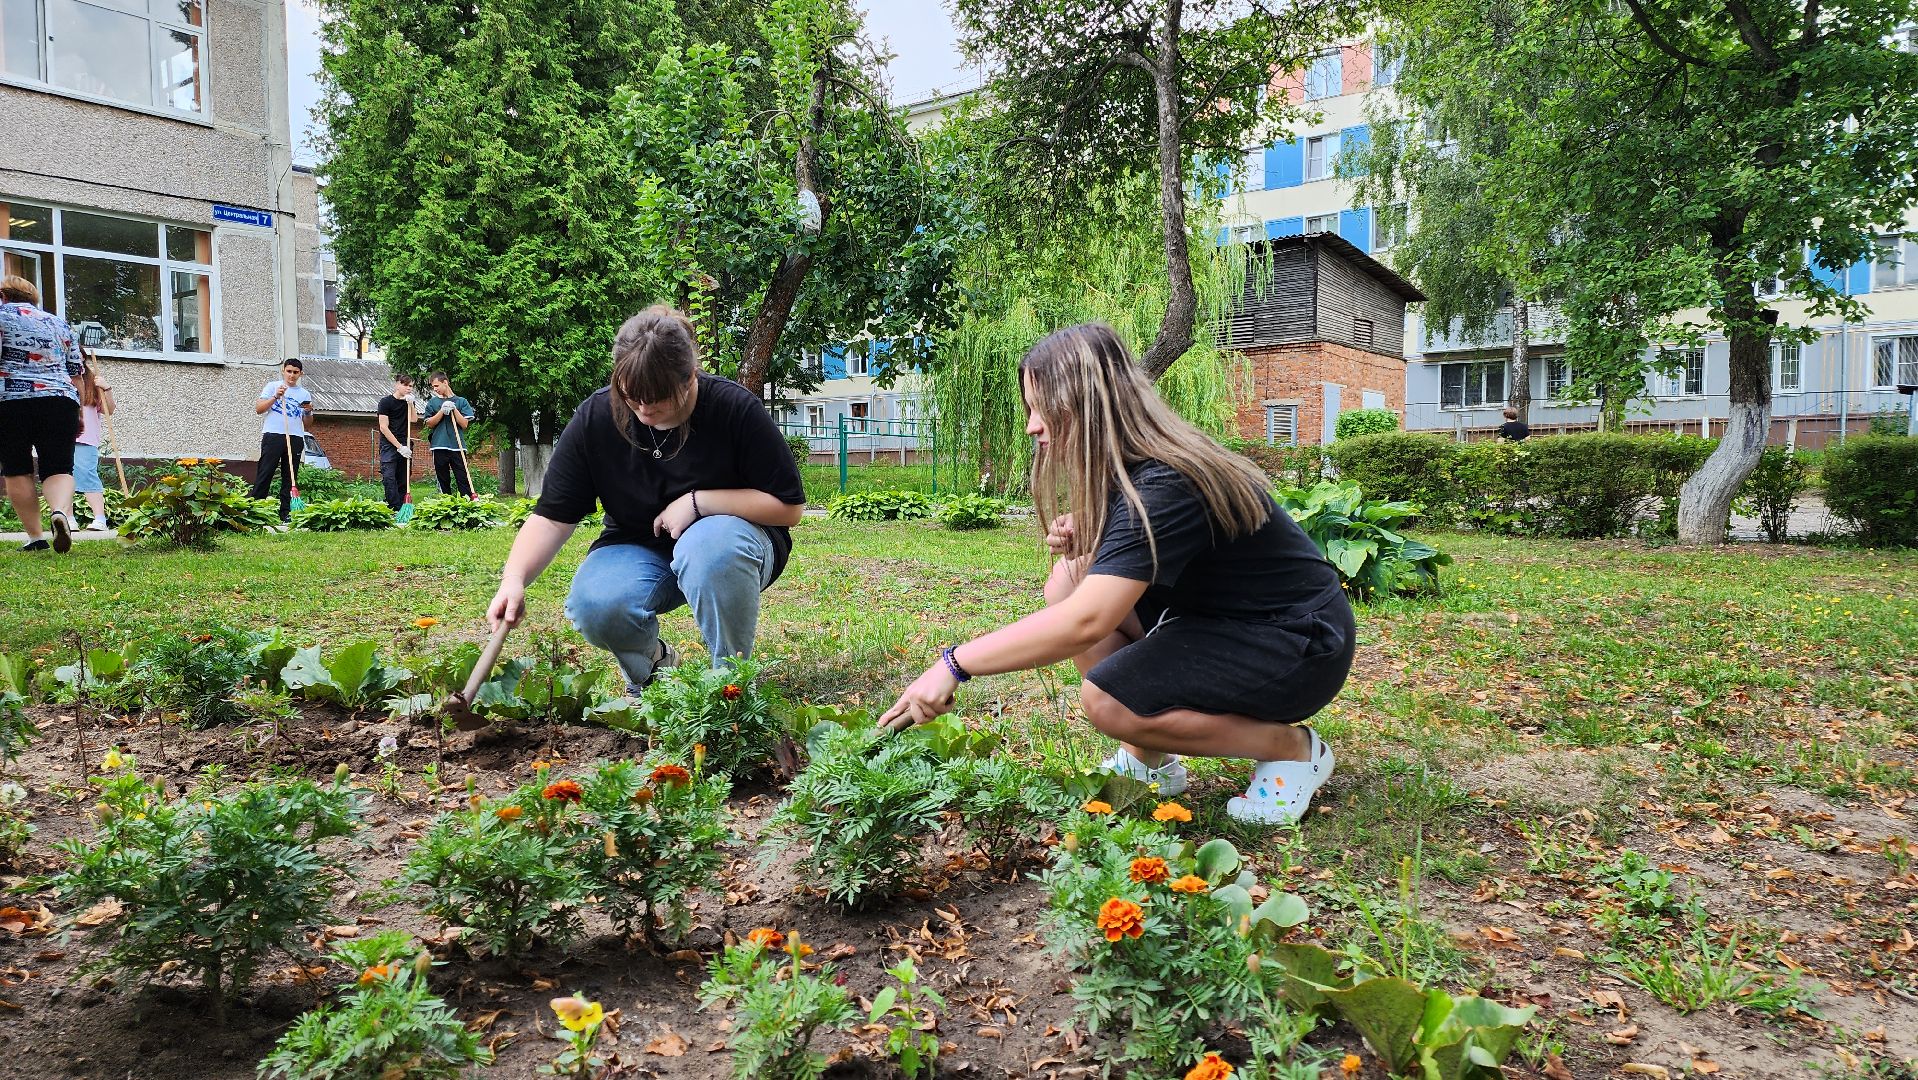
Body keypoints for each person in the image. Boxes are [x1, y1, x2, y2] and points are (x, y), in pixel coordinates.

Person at [879, 323, 1356, 825]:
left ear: (1087, 404)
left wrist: (953, 665)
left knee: (1107, 701)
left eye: (1044, 409)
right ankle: (1151, 757)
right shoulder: (1135, 471)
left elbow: (1086, 622)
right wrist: (1099, 539)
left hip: (1297, 642)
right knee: (1070, 576)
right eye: (1029, 411)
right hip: (1226, 622)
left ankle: (1293, 748)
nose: (1032, 427)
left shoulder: (1167, 480)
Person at [484, 305, 806, 694]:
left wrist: (698, 502)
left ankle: (731, 686)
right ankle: (653, 670)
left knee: (710, 549)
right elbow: (552, 517)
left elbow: (789, 508)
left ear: (689, 378)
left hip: (733, 549)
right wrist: (514, 579)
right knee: (595, 604)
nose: (643, 409)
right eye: (632, 397)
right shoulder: (596, 417)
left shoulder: (733, 408)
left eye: (657, 399)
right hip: (638, 548)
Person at [0, 275, 83, 552]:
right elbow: (76, 374)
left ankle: (36, 538)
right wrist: (79, 411)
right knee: (59, 467)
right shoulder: (59, 323)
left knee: (16, 468)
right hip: (60, 400)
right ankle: (59, 511)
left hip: (10, 400)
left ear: (4, 296)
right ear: (33, 298)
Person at [251, 358, 313, 523]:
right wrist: (275, 396)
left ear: (300, 374)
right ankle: (255, 509)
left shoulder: (304, 394)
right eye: (289, 371)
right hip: (273, 435)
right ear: (283, 371)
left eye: (295, 372)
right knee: (266, 472)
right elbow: (259, 409)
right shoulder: (273, 386)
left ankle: (286, 513)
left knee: (290, 476)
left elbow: (307, 424)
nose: (292, 375)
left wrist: (307, 412)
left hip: (295, 437)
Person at [73, 358, 117, 532]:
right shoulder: (59, 379)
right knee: (63, 477)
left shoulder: (93, 383)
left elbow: (110, 410)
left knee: (88, 475)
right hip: (60, 438)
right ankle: (69, 519)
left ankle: (100, 519)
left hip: (86, 438)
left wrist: (107, 388)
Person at [418, 372, 476, 498]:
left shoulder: (461, 401)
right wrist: (442, 411)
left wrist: (454, 409)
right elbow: (429, 424)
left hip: (457, 446)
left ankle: (466, 504)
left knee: (462, 477)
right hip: (439, 445)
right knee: (443, 479)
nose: (435, 389)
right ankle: (446, 503)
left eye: (437, 385)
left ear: (445, 382)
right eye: (433, 387)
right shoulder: (433, 403)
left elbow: (464, 424)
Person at [375, 374, 415, 511]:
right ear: (397, 384)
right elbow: (383, 427)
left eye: (411, 386)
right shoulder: (386, 402)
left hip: (406, 442)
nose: (408, 388)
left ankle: (403, 508)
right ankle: (393, 507)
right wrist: (399, 447)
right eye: (405, 385)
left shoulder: (409, 402)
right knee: (389, 477)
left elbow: (414, 420)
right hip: (389, 445)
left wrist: (411, 404)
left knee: (403, 478)